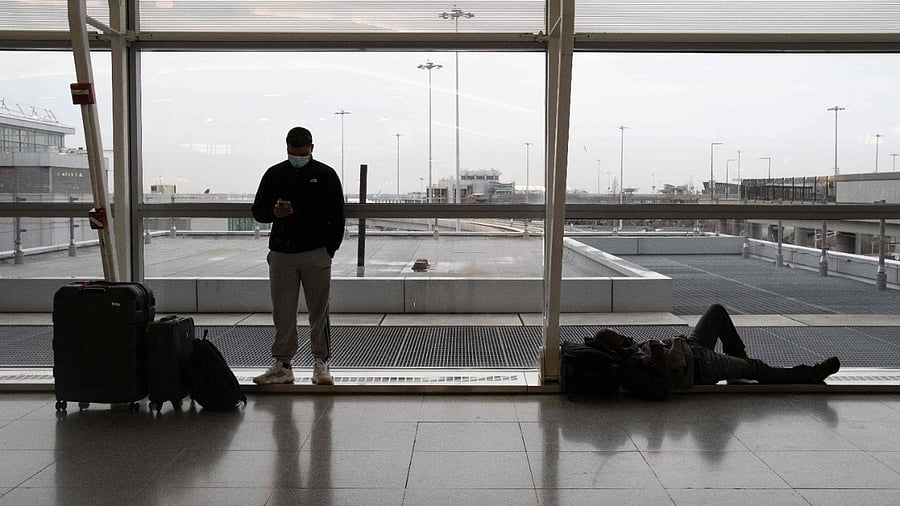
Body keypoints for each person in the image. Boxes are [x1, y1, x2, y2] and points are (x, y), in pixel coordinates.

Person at [251, 126, 345, 385]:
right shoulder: (275, 174)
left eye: (301, 153)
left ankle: (321, 363)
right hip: (282, 253)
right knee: (283, 311)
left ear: (311, 148)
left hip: (316, 252)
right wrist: (274, 212)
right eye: (293, 153)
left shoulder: (325, 175)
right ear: (287, 149)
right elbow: (258, 211)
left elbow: (338, 216)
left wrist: (329, 250)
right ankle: (283, 364)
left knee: (319, 311)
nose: (298, 157)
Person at [593, 304, 841, 400]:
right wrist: (659, 358)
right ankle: (810, 374)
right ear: (613, 346)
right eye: (617, 336)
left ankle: (737, 361)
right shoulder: (629, 368)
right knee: (757, 368)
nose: (624, 336)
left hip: (691, 348)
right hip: (700, 366)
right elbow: (660, 390)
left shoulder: (628, 350)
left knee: (717, 312)